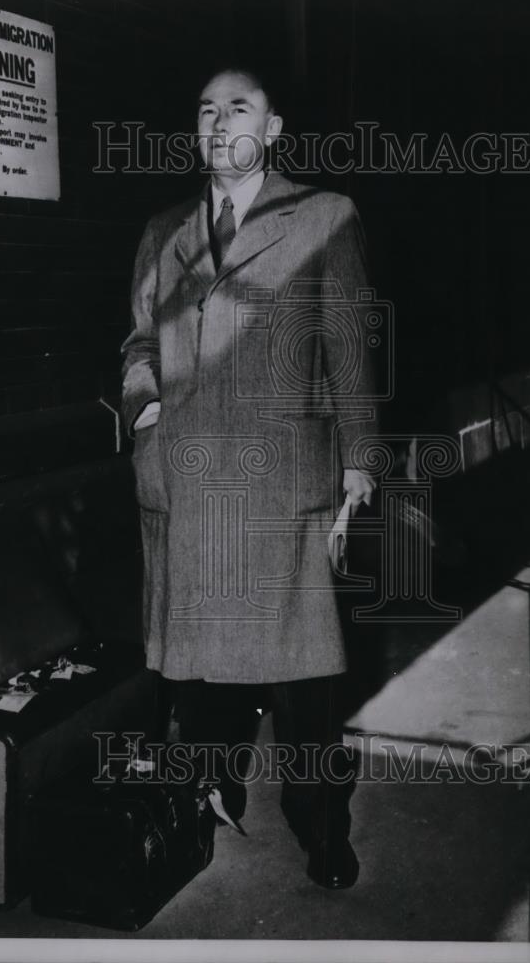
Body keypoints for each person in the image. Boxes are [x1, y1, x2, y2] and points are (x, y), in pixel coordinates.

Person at [121, 66, 379, 888]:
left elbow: (347, 349)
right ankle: (203, 801)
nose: (217, 119)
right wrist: (143, 408)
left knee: (305, 686)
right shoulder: (163, 230)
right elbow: (134, 344)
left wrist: (359, 468)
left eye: (239, 106)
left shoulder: (324, 216)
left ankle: (321, 829)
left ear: (272, 130)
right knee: (197, 679)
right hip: (189, 485)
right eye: (204, 108)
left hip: (281, 488)